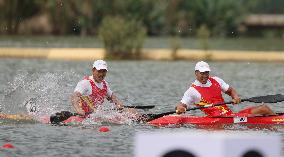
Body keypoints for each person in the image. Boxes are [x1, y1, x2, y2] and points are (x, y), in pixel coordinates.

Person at [175, 61, 275, 117]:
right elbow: (181, 104)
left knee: (264, 108)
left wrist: (235, 97)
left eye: (206, 72)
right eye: (202, 73)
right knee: (262, 110)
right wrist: (180, 109)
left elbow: (230, 90)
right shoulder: (192, 91)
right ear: (196, 73)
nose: (205, 75)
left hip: (229, 116)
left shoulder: (216, 80)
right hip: (217, 119)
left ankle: (276, 120)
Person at [71, 60, 139, 118]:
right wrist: (78, 109)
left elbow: (112, 96)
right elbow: (74, 96)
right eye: (99, 71)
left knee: (132, 111)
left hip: (97, 115)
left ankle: (142, 121)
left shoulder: (105, 84)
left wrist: (118, 104)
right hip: (85, 116)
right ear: (93, 70)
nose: (101, 74)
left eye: (104, 71)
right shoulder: (85, 83)